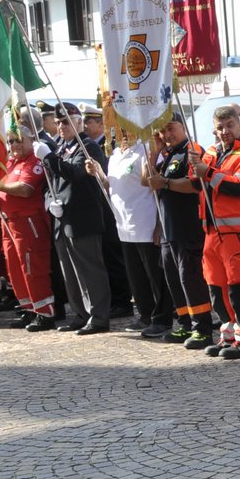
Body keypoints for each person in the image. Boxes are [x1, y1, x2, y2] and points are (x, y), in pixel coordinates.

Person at [194, 104, 240, 359]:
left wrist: (208, 172)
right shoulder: (212, 152)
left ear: (239, 124)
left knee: (238, 287)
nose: (225, 131)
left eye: (229, 126)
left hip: (237, 232)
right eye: (220, 127)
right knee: (216, 286)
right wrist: (195, 166)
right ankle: (229, 334)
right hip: (212, 231)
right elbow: (196, 182)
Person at [91, 129, 173, 338]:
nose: (124, 135)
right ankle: (146, 315)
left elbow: (156, 189)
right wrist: (99, 172)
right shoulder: (116, 154)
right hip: (124, 225)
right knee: (137, 277)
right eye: (120, 131)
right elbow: (113, 185)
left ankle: (163, 317)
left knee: (155, 277)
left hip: (146, 222)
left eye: (127, 130)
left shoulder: (145, 150)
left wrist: (159, 225)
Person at [144, 113, 215, 349]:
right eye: (162, 131)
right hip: (168, 228)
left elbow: (195, 185)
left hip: (188, 227)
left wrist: (166, 183)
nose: (166, 134)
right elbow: (146, 180)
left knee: (190, 279)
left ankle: (202, 328)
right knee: (174, 279)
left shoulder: (192, 150)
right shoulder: (167, 153)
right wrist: (154, 150)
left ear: (183, 127)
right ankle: (184, 322)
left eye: (171, 128)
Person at [42, 109, 112, 334]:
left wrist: (49, 158)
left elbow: (75, 173)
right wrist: (50, 203)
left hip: (82, 217)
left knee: (89, 270)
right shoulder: (61, 148)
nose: (61, 126)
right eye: (58, 123)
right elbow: (49, 184)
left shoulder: (87, 146)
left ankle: (99, 317)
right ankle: (81, 313)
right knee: (69, 272)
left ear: (79, 122)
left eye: (66, 122)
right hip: (63, 218)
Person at [0, 128, 57, 330]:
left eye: (19, 140)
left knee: (32, 267)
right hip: (8, 222)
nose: (14, 145)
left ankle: (45, 313)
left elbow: (25, 189)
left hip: (28, 222)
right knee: (15, 269)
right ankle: (29, 309)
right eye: (10, 141)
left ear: (31, 140)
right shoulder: (10, 163)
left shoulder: (34, 161)